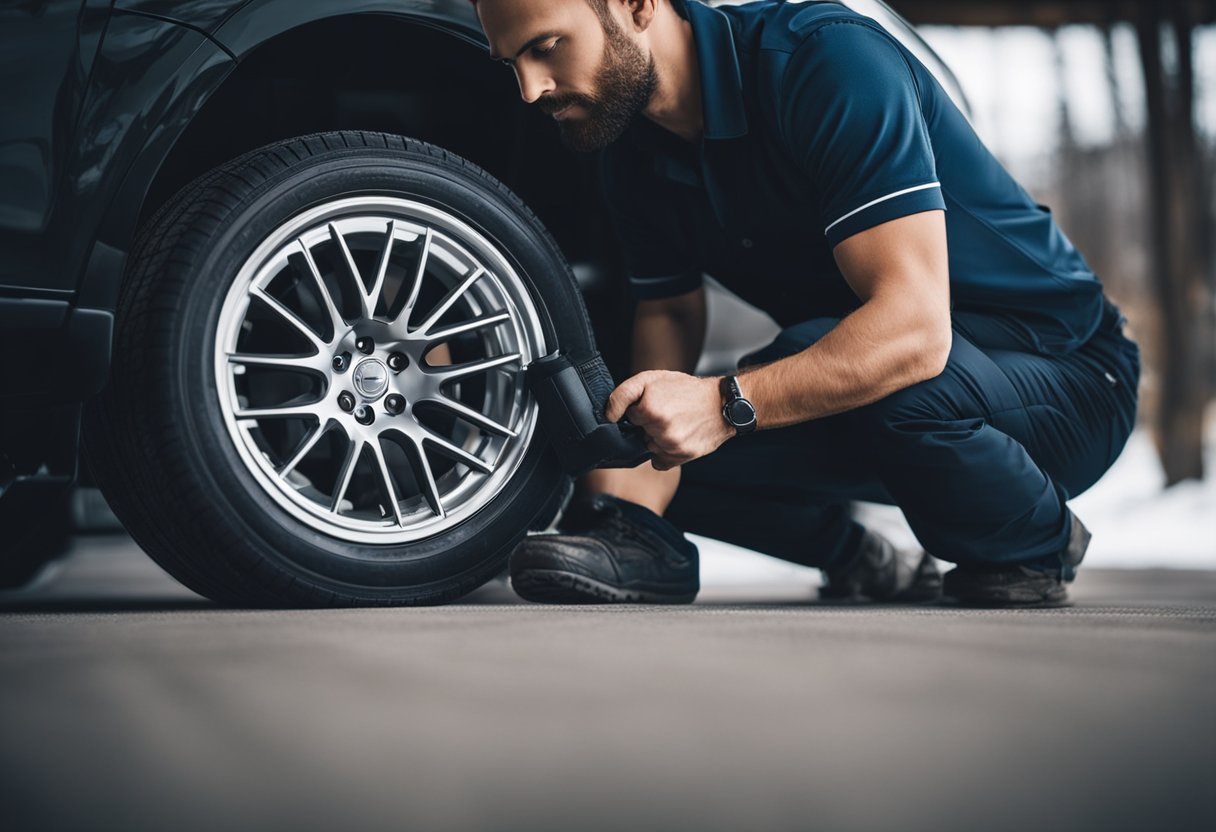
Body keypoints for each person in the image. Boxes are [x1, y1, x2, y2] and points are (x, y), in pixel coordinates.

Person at [470, 0, 1141, 607]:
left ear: (637, 5)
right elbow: (668, 317)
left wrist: (723, 405)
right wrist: (629, 505)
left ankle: (1035, 542)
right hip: (887, 374)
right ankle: (861, 555)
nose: (531, 89)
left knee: (876, 385)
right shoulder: (630, 157)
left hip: (1067, 375)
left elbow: (913, 332)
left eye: (546, 47)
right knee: (653, 448)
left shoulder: (827, 64)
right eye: (512, 64)